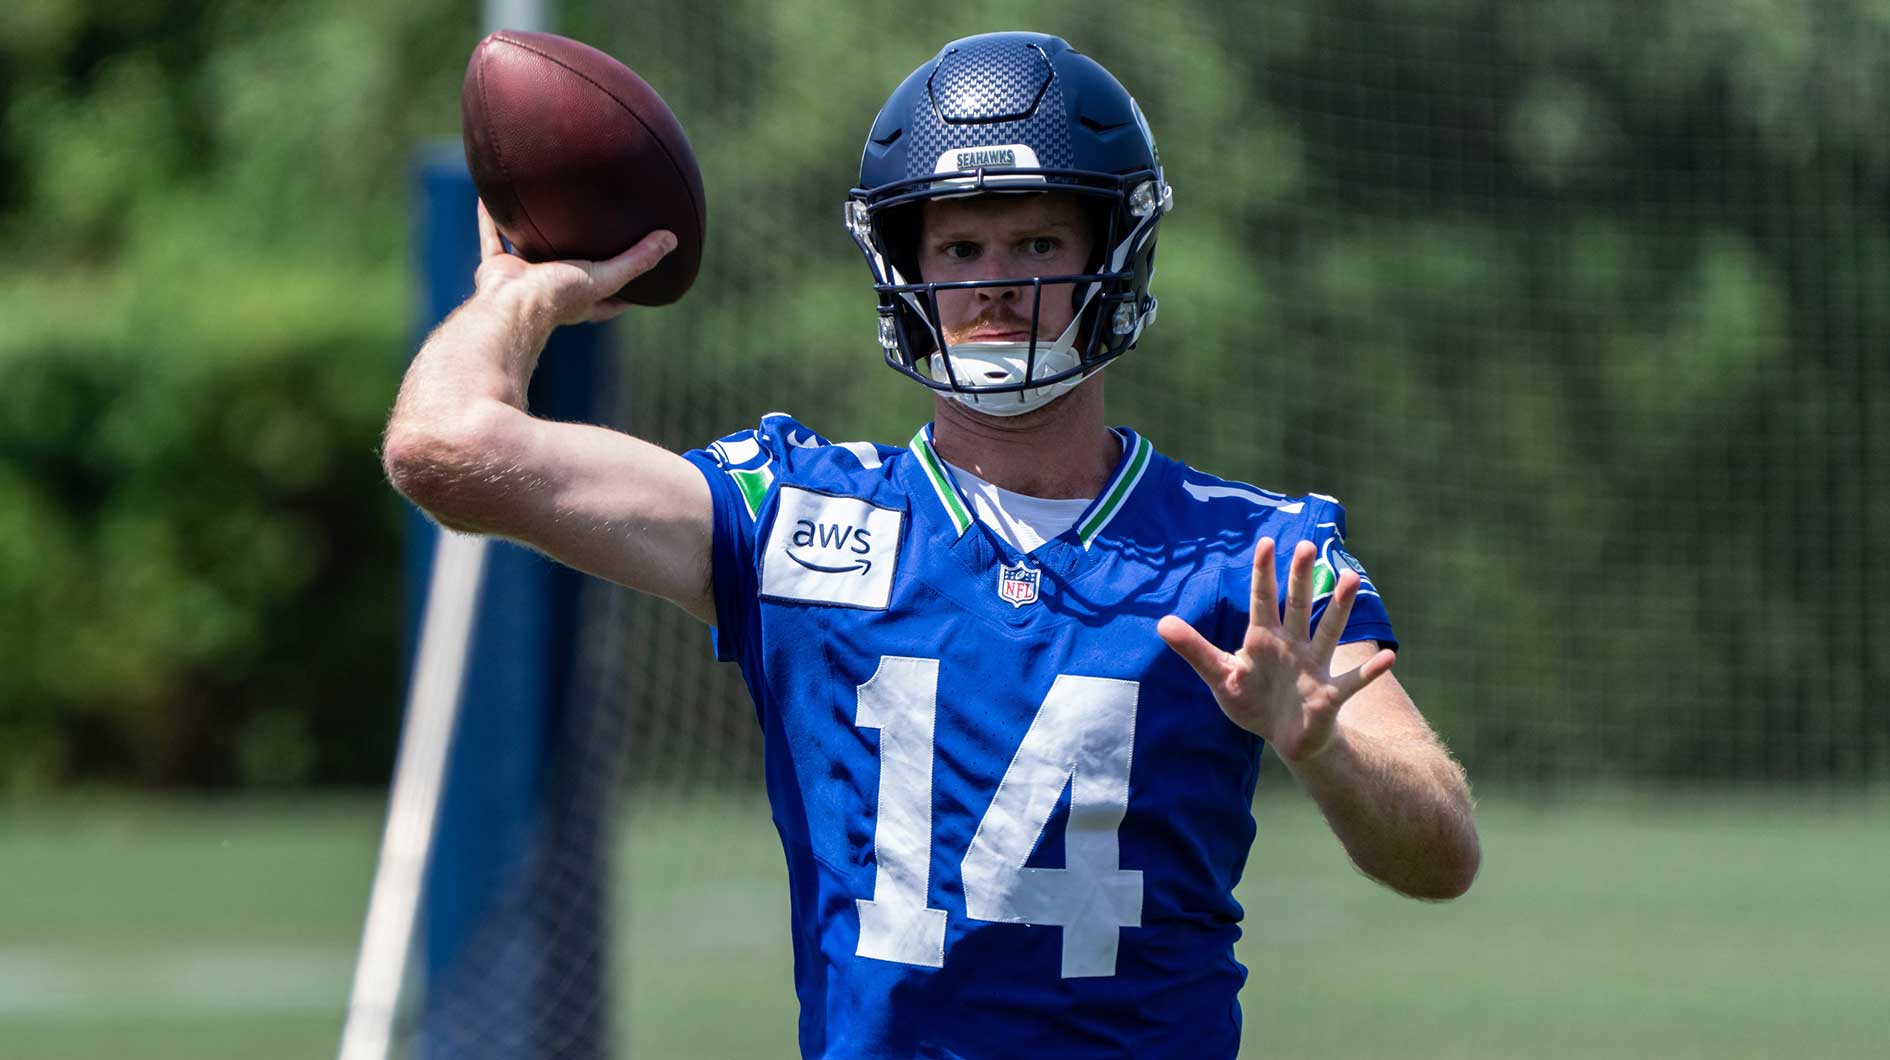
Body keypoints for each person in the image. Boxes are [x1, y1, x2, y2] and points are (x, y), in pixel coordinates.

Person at [384, 30, 1479, 1060]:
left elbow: (1442, 852)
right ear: (910, 272)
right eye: (960, 246)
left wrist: (1318, 745)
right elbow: (441, 446)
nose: (998, 281)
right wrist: (520, 299)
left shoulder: (1247, 550)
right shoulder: (794, 514)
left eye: (1039, 241)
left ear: (1117, 252)